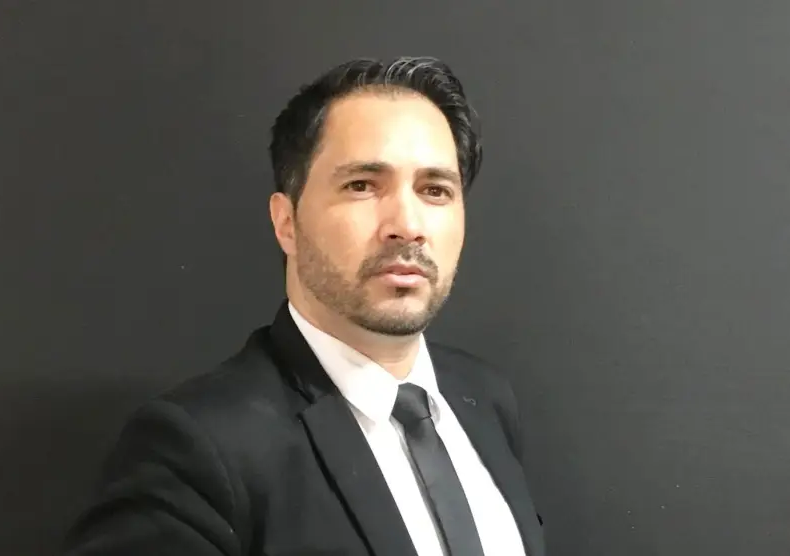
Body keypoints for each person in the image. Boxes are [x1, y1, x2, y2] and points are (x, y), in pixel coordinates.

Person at [63, 56, 545, 556]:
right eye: (362, 185)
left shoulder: (483, 399)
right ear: (286, 222)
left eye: (435, 190)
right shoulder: (198, 451)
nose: (407, 225)